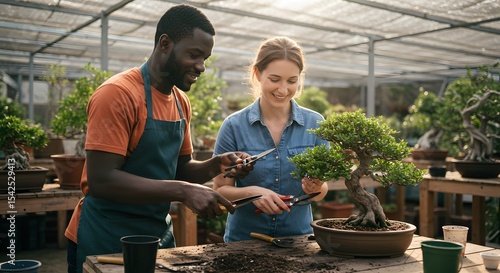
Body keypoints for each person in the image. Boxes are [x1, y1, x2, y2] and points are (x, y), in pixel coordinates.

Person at [65, 4, 254, 273]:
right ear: (165, 43)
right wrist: (183, 191)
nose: (201, 67)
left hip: (156, 239)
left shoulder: (180, 101)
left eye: (205, 59)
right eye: (194, 54)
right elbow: (101, 180)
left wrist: (218, 165)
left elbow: (181, 169)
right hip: (106, 237)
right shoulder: (117, 94)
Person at [213, 36, 330, 242]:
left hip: (300, 241)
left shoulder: (316, 124)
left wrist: (316, 188)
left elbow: (322, 190)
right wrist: (253, 193)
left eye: (292, 81)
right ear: (257, 74)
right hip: (244, 242)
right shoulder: (233, 126)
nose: (283, 90)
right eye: (275, 79)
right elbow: (221, 189)